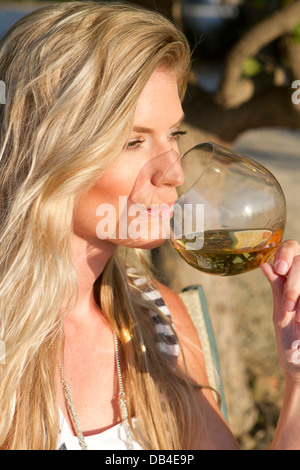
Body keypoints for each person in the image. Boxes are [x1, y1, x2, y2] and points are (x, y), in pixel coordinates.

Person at [0, 1, 300, 451]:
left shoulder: (159, 321)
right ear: (46, 153)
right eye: (134, 140)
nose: (175, 173)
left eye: (174, 135)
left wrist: (297, 381)